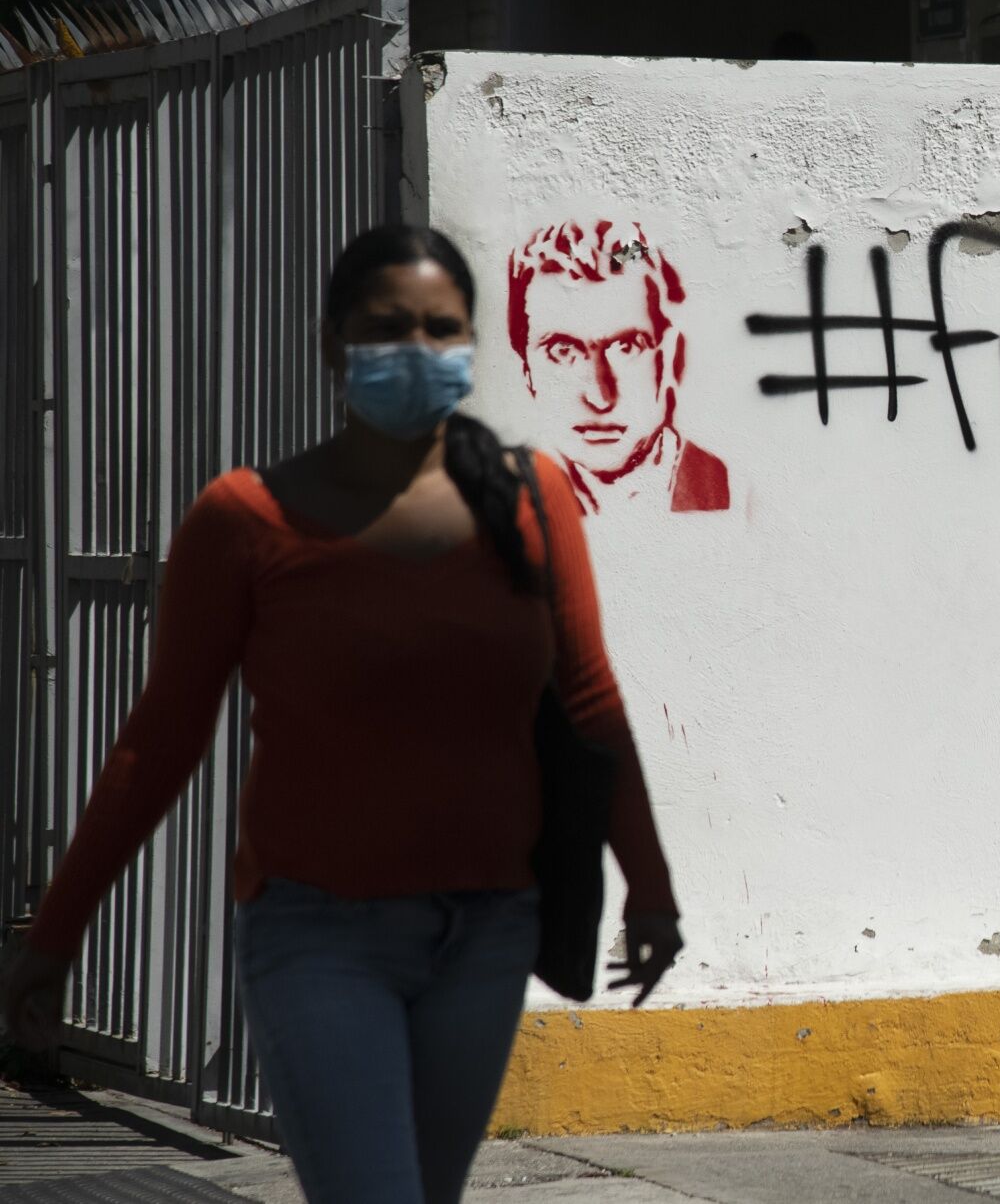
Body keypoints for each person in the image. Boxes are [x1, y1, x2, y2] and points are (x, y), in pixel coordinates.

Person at [0, 224, 685, 1204]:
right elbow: (161, 736)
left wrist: (650, 890)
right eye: (387, 328)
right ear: (333, 345)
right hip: (318, 933)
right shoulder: (245, 518)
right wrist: (56, 929)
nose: (417, 350)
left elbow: (592, 700)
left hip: (488, 932)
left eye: (442, 329)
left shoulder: (534, 499)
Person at [506, 220, 730, 516]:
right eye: (563, 351)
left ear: (669, 359)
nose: (600, 397)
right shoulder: (507, 502)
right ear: (527, 372)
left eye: (627, 347)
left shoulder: (733, 493)